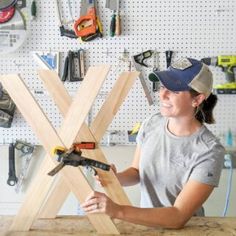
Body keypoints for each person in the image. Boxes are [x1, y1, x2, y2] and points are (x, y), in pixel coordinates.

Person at [81, 58, 225, 229]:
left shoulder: (209, 151)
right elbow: (137, 172)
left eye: (175, 91)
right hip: (147, 226)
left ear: (197, 99)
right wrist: (115, 178)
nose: (162, 94)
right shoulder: (152, 123)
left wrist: (117, 211)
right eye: (163, 86)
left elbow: (177, 216)